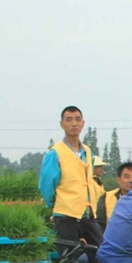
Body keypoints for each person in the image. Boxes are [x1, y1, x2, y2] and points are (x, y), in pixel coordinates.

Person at [39, 106, 104, 252]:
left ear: (83, 123)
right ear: (62, 124)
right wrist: (56, 205)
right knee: (69, 261)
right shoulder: (55, 153)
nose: (74, 123)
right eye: (69, 120)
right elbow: (47, 186)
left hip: (88, 214)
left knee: (101, 253)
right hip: (66, 217)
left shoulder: (88, 151)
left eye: (77, 119)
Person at [97, 161, 132, 230]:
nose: (131, 180)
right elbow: (99, 224)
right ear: (119, 180)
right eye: (127, 177)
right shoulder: (106, 198)